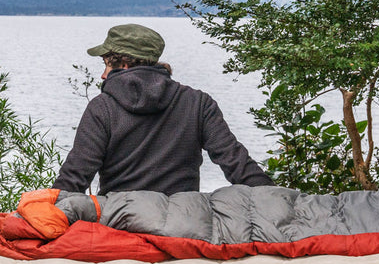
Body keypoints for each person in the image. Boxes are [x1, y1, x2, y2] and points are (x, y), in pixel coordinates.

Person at [53, 23, 274, 196]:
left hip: (121, 219)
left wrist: (44, 209)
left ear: (126, 65)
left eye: (108, 65)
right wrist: (276, 198)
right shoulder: (198, 103)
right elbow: (237, 164)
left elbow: (75, 176)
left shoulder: (102, 107)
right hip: (182, 221)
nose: (103, 75)